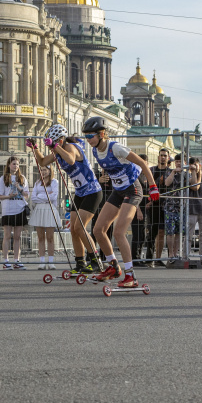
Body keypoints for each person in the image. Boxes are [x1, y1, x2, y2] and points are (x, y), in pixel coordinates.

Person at [83, 116, 158, 288]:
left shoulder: (115, 147)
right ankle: (113, 267)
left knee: (119, 232)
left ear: (101, 134)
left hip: (133, 189)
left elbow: (142, 163)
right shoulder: (95, 151)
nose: (88, 140)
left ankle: (131, 276)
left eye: (90, 136)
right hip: (118, 190)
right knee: (98, 230)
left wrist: (153, 186)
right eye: (86, 137)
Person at [28, 123, 103, 274]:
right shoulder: (58, 151)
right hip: (81, 193)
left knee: (80, 227)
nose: (50, 148)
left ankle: (95, 260)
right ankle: (80, 262)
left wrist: (56, 147)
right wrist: (34, 148)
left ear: (60, 140)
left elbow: (71, 160)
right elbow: (42, 162)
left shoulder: (70, 147)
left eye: (51, 143)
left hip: (92, 192)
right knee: (73, 230)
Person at [0, 155, 30, 269]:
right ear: (9, 165)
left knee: (17, 236)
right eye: (14, 164)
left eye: (17, 164)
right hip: (8, 209)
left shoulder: (22, 178)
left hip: (19, 208)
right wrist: (8, 196)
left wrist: (19, 188)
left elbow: (27, 195)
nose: (16, 166)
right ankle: (6, 260)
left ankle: (17, 260)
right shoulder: (3, 178)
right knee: (7, 236)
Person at [28, 164, 61, 270]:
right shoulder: (37, 183)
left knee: (50, 237)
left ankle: (51, 261)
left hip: (50, 210)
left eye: (45, 170)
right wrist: (46, 196)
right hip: (39, 210)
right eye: (41, 170)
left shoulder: (55, 182)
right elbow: (33, 198)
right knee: (41, 237)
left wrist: (40, 196)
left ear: (50, 171)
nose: (43, 172)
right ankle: (42, 261)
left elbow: (54, 196)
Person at [162, 153, 189, 263]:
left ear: (185, 163)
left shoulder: (187, 174)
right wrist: (174, 172)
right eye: (177, 161)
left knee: (179, 232)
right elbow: (167, 183)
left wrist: (193, 171)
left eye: (180, 161)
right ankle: (171, 254)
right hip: (170, 207)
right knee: (170, 232)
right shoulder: (169, 172)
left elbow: (194, 184)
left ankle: (176, 252)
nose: (178, 163)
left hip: (181, 207)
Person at [149, 148, 172, 266]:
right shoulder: (152, 170)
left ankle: (159, 258)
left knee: (164, 232)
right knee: (152, 232)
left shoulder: (170, 172)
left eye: (165, 156)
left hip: (167, 205)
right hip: (153, 205)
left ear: (168, 158)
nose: (163, 157)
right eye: (161, 155)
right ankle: (149, 258)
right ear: (158, 157)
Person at [186, 158, 202, 265]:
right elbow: (195, 186)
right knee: (189, 235)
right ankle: (185, 256)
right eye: (192, 165)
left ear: (199, 165)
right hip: (192, 209)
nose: (194, 167)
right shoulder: (188, 177)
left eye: (196, 165)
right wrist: (194, 172)